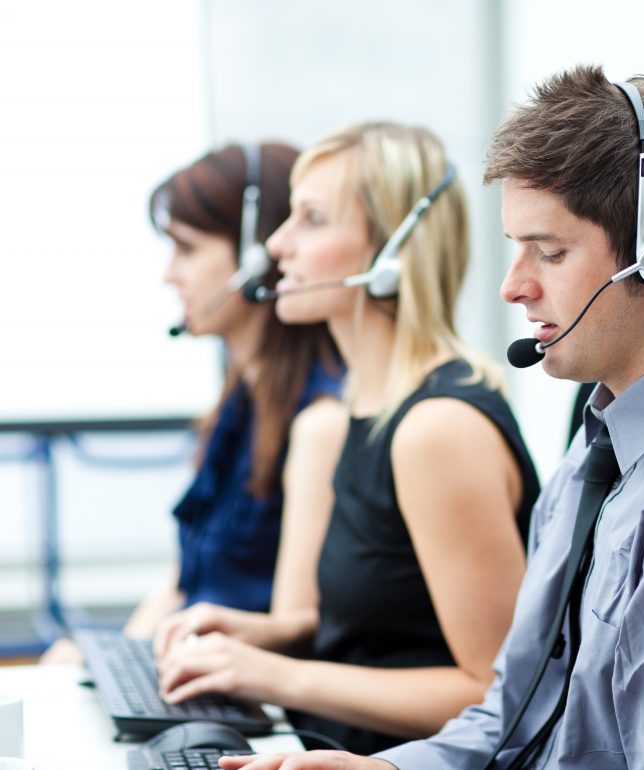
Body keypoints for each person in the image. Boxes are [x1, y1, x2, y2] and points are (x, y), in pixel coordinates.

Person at [221, 64, 644, 770]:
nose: (515, 286)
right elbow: (514, 715)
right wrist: (384, 769)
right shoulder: (606, 441)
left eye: (550, 252)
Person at [155, 121, 541, 755]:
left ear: (391, 253)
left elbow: (497, 693)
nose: (277, 244)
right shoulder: (358, 411)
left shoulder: (436, 429)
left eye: (311, 220)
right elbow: (369, 636)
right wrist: (257, 634)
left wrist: (280, 674)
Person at [40, 143, 345, 664]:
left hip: (249, 701)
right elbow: (185, 579)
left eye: (186, 248)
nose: (169, 274)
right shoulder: (239, 405)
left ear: (254, 259)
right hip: (196, 671)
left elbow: (291, 635)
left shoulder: (319, 420)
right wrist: (112, 660)